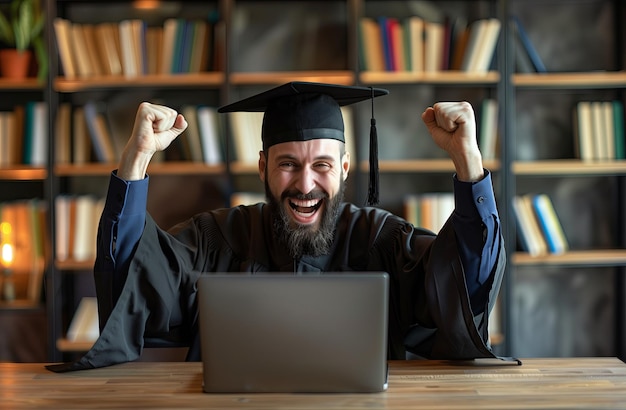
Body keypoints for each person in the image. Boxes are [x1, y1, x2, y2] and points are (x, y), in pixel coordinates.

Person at [46, 82, 506, 372]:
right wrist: (136, 161)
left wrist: (468, 163)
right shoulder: (217, 238)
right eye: (288, 164)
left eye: (322, 165)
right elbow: (134, 277)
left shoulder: (380, 239)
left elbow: (462, 281)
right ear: (263, 166)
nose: (305, 184)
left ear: (345, 167)